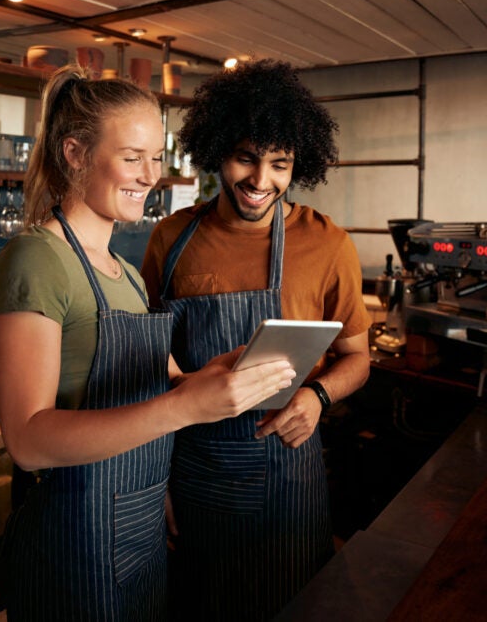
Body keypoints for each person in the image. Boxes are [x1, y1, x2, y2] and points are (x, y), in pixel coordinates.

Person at [0, 66, 297, 622]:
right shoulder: (35, 260)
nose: (150, 175)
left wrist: (219, 374)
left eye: (157, 157)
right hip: (72, 537)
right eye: (133, 158)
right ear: (76, 152)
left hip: (141, 526)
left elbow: (168, 384)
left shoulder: (124, 272)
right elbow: (28, 440)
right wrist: (183, 406)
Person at [140, 59, 372, 620]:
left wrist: (317, 398)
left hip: (287, 480)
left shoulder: (328, 244)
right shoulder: (171, 240)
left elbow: (357, 357)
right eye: (246, 157)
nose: (260, 180)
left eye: (280, 164)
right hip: (192, 474)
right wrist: (156, 486)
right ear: (218, 148)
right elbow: (148, 366)